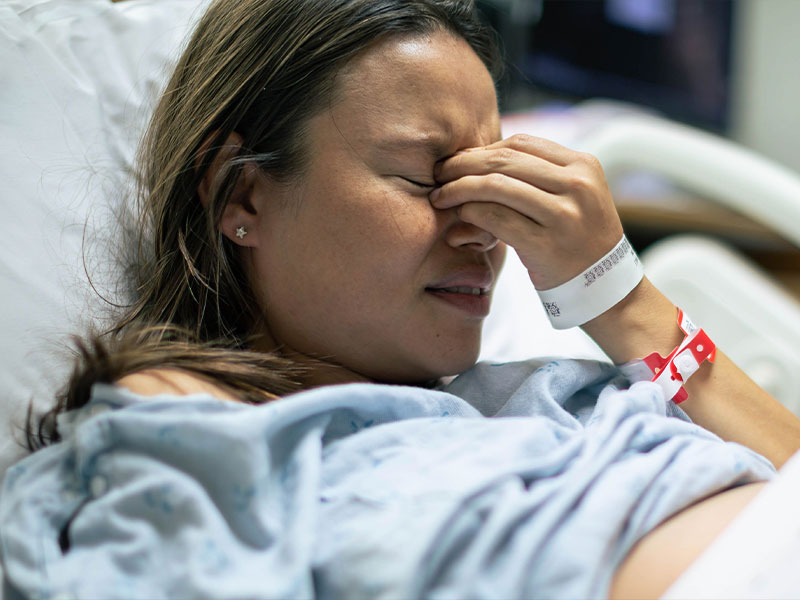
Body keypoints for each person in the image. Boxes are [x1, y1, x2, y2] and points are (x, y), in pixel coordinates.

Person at [4, 0, 800, 598]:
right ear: (240, 196)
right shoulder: (179, 431)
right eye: (429, 179)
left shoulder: (544, 391)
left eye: (493, 181)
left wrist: (621, 298)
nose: (484, 229)